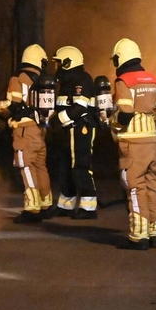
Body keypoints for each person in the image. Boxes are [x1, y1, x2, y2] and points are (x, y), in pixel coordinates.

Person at [109, 38, 156, 250]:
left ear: (119, 59)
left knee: (135, 188)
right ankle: (153, 233)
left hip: (132, 144)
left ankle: (138, 236)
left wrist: (114, 124)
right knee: (151, 187)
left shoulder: (123, 81)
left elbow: (125, 112)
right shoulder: (153, 79)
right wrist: (151, 120)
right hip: (151, 143)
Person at [0, 44, 53, 223]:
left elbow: (12, 105)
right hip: (40, 131)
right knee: (40, 166)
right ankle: (46, 204)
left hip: (24, 131)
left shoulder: (18, 79)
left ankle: (32, 209)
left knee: (26, 167)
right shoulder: (43, 81)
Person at [48, 45, 98, 219]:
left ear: (68, 63)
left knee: (80, 166)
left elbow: (80, 108)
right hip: (67, 131)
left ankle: (88, 208)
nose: (57, 66)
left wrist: (58, 119)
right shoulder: (67, 82)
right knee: (64, 168)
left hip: (80, 130)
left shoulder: (82, 80)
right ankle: (65, 206)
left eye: (59, 63)